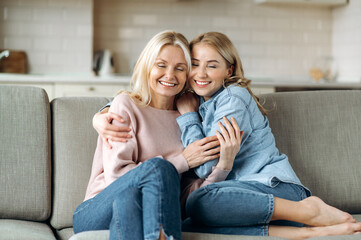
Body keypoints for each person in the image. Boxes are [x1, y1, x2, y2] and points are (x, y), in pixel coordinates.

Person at [93, 32, 361, 239]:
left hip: (271, 187)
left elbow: (203, 169)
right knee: (191, 218)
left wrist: (188, 118)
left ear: (229, 71)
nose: (200, 73)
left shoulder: (230, 98)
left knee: (197, 203)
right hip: (239, 200)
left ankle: (307, 211)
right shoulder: (193, 105)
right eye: (195, 64)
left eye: (211, 66)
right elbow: (137, 106)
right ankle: (305, 231)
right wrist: (100, 115)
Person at [72, 30, 225, 240]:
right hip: (96, 209)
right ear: (147, 66)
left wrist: (224, 163)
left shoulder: (188, 119)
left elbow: (185, 193)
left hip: (133, 206)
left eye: (180, 69)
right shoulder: (125, 105)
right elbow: (117, 177)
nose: (170, 75)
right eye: (161, 65)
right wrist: (182, 161)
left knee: (130, 200)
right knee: (156, 169)